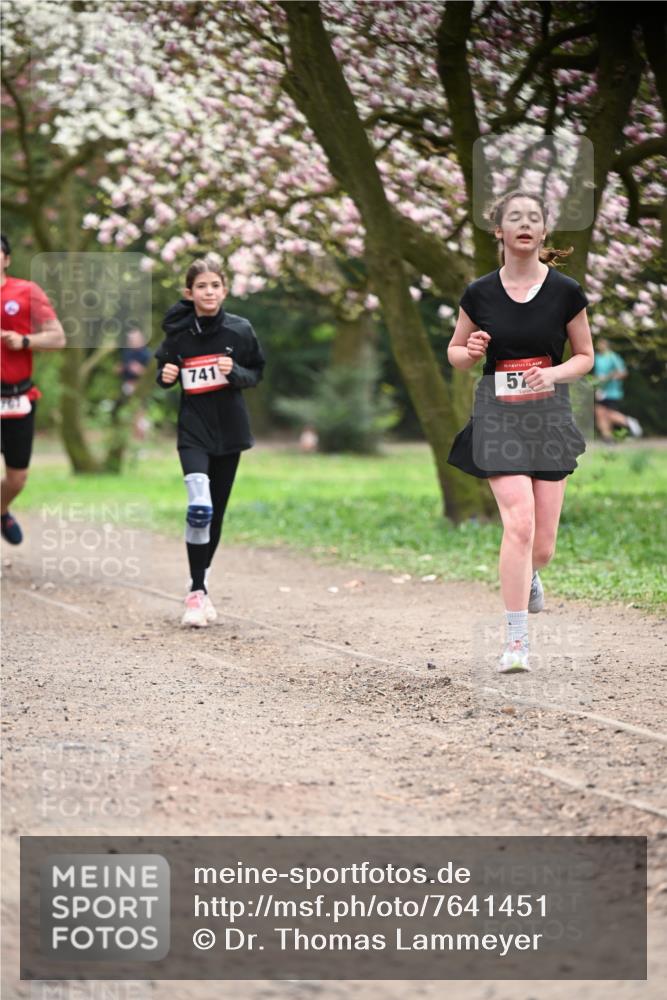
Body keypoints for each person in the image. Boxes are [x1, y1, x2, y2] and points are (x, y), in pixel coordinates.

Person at [447, 191, 594, 673]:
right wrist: (470, 351)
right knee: (519, 524)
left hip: (548, 415)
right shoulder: (479, 292)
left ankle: (529, 575)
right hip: (498, 413)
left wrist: (553, 374)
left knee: (542, 546)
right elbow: (456, 352)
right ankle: (516, 642)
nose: (525, 224)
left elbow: (585, 356)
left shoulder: (566, 292)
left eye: (534, 217)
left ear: (544, 230)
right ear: (500, 231)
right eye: (515, 217)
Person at [155, 253, 265, 627]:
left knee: (214, 514)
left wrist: (235, 372)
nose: (209, 292)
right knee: (199, 508)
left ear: (225, 290)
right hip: (193, 431)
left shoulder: (240, 330)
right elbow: (164, 370)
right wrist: (166, 376)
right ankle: (196, 595)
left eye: (215, 285)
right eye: (201, 286)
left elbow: (256, 372)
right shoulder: (179, 331)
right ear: (189, 292)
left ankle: (199, 584)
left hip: (230, 431)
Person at [1, 233, 65, 545]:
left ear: (7, 259)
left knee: (17, 479)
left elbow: (58, 337)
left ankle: (1, 510)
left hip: (18, 397)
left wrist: (24, 340)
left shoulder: (26, 291)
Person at [593, 337, 642, 442]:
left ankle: (629, 422)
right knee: (599, 413)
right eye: (599, 344)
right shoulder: (597, 357)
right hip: (601, 391)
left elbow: (623, 373)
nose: (600, 346)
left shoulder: (613, 357)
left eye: (602, 343)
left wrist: (610, 376)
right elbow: (598, 375)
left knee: (609, 414)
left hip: (612, 392)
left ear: (607, 345)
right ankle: (608, 439)